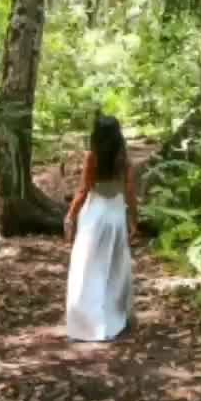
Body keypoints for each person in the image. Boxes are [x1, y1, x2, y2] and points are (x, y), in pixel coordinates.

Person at [63, 112, 139, 342]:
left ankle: (87, 326)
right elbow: (130, 193)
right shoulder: (124, 159)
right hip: (116, 216)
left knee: (87, 269)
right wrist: (134, 219)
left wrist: (70, 216)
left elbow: (83, 190)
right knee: (115, 268)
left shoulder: (92, 157)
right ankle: (114, 320)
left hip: (95, 216)